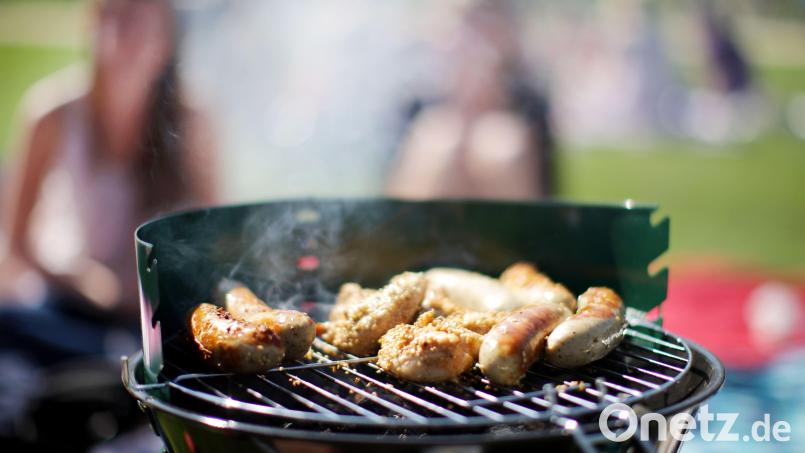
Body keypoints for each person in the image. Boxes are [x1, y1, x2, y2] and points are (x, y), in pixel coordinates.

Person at [0, 0, 214, 448]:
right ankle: (116, 380)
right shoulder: (53, 113)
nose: (124, 32)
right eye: (114, 15)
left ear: (166, 41)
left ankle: (111, 379)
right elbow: (16, 243)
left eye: (140, 19)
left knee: (160, 355)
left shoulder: (193, 123)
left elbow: (213, 245)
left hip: (152, 317)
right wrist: (88, 283)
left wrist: (147, 295)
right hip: (69, 304)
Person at [387, 0, 553, 200]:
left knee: (498, 146)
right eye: (468, 25)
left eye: (488, 26)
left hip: (506, 213)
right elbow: (395, 199)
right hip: (431, 216)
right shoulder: (417, 104)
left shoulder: (528, 106)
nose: (475, 43)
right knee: (438, 142)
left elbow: (543, 197)